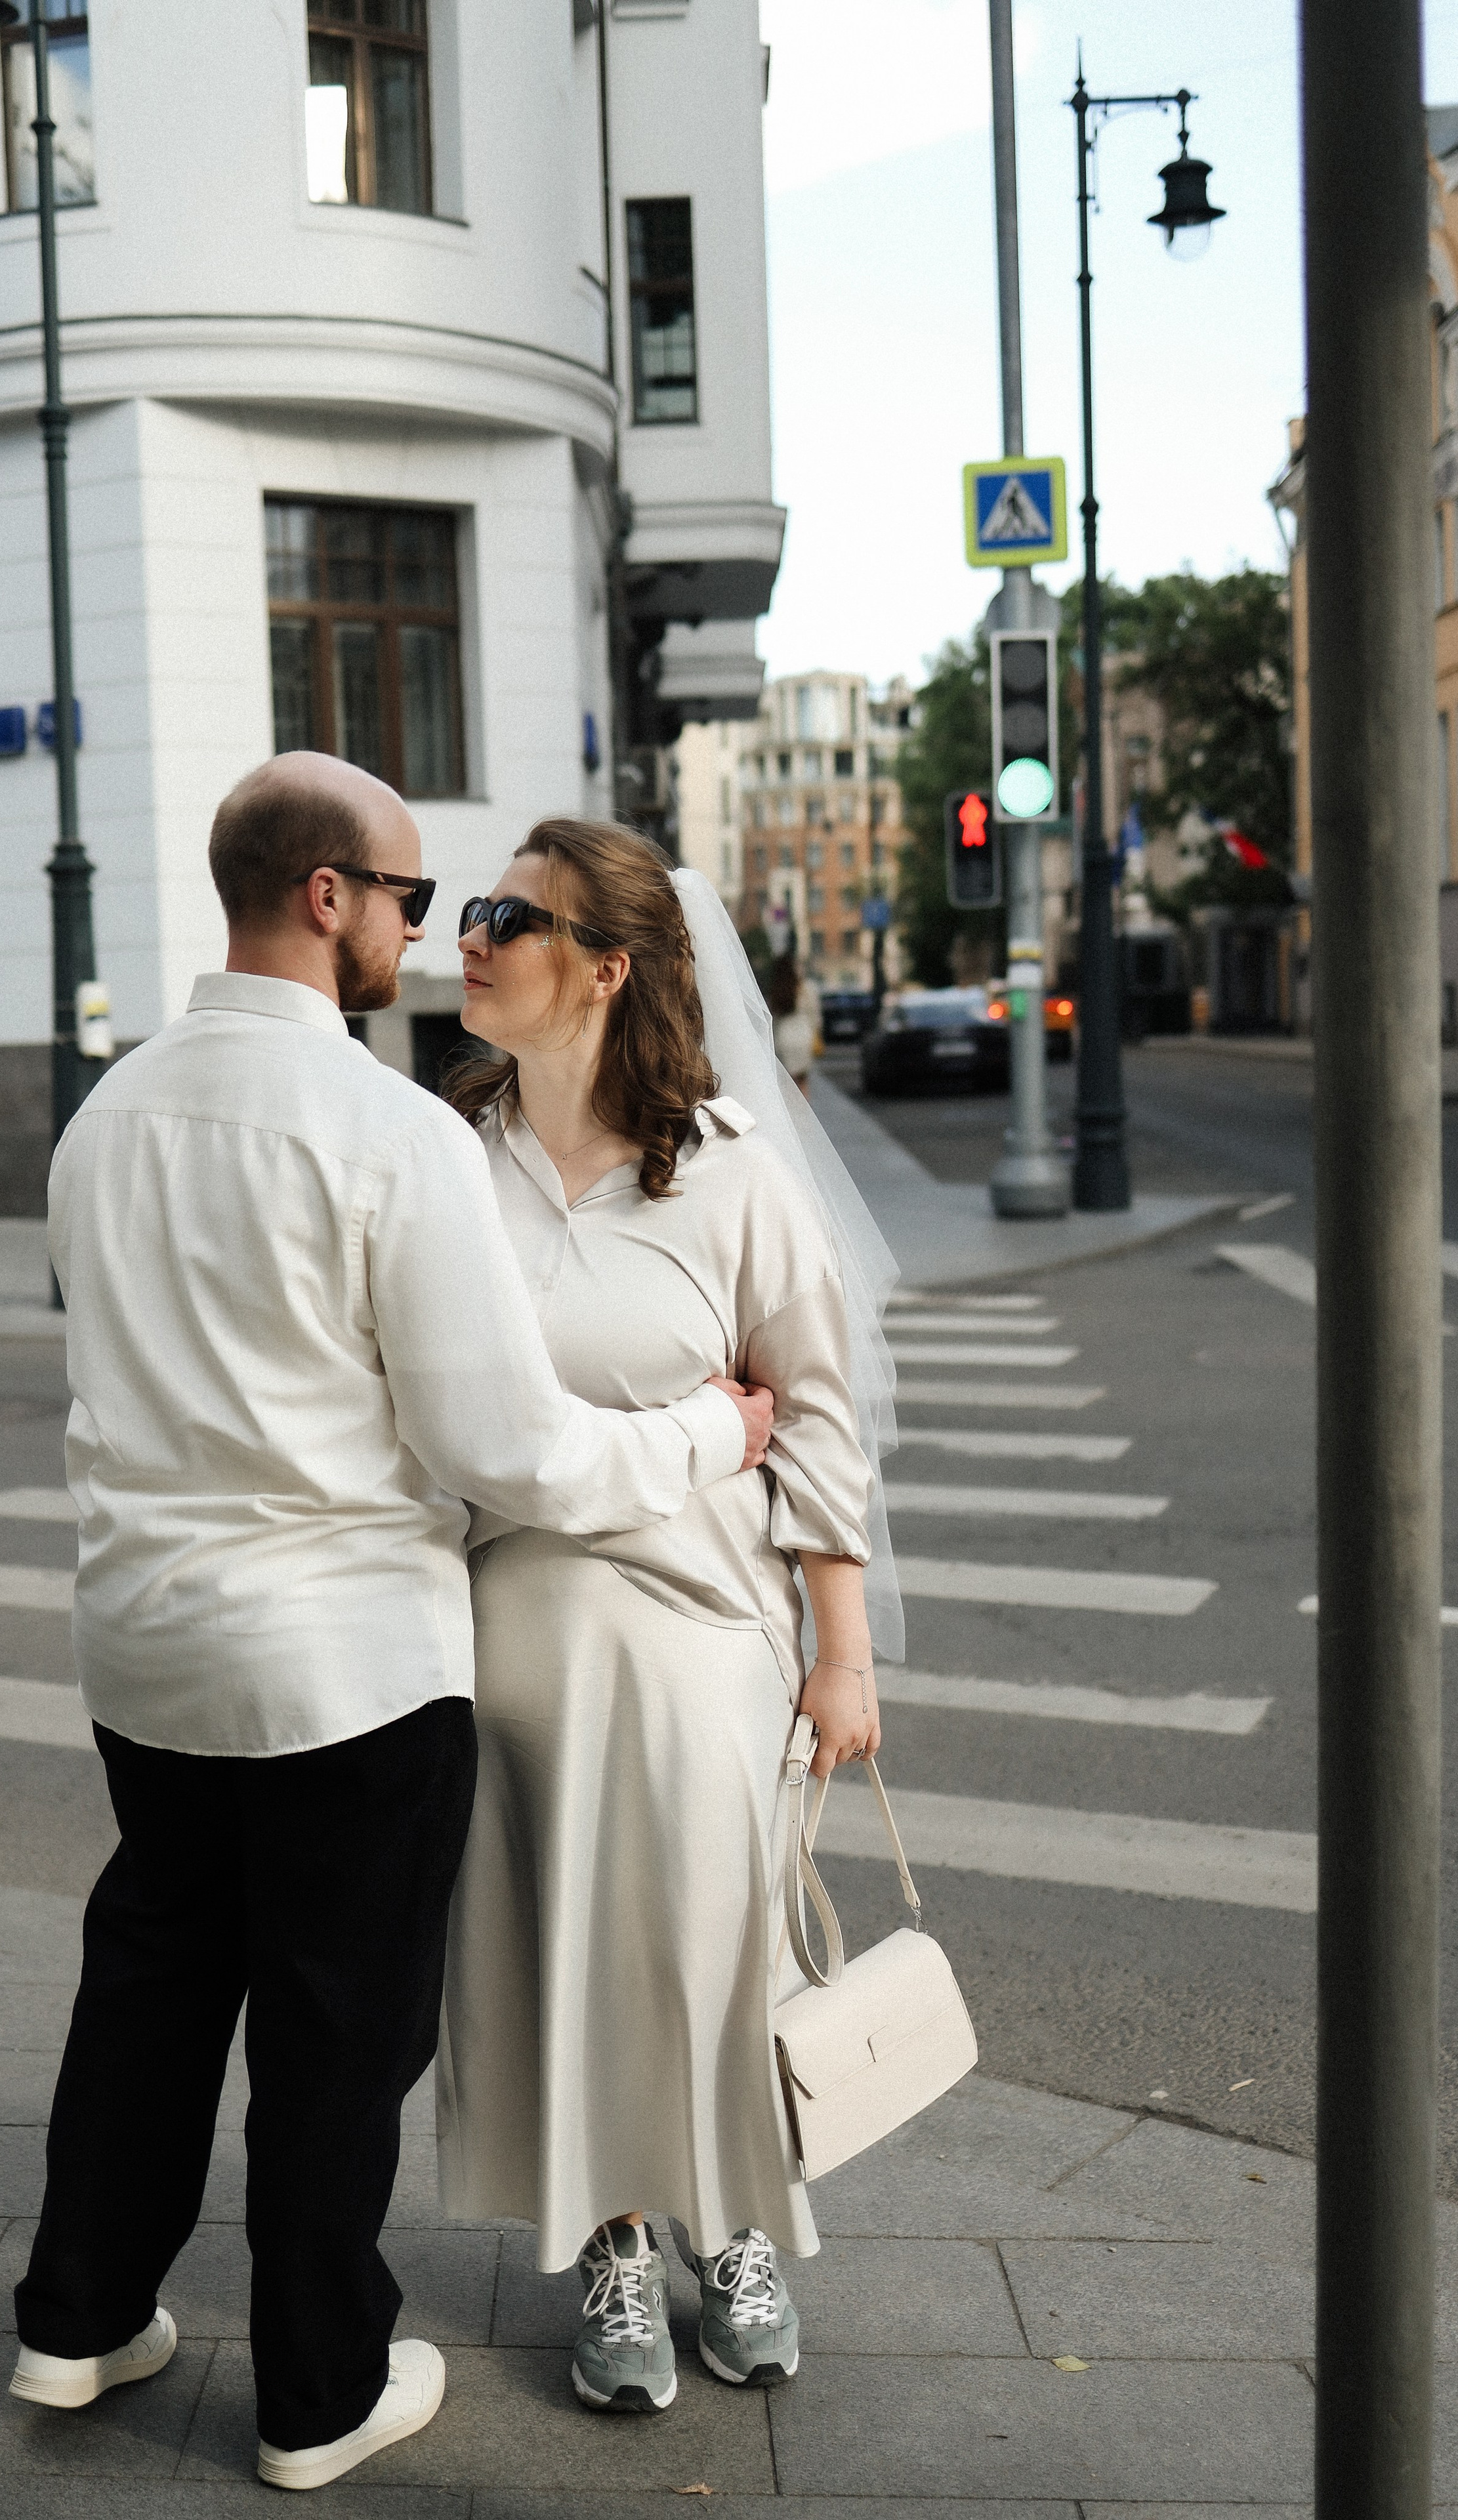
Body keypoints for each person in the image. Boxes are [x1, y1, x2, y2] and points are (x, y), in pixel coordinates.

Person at [8, 757, 774, 2491]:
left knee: (151, 1986)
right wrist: (713, 1432)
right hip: (345, 1660)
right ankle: (316, 2396)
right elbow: (506, 1446)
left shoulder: (104, 1117)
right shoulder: (392, 1136)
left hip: (143, 1643)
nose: (433, 934)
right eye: (418, 900)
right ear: (330, 898)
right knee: (335, 2037)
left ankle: (78, 2319)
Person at [436, 821, 904, 2415]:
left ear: (605, 965)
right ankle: (613, 2238)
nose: (469, 935)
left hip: (705, 1619)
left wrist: (840, 1651)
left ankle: (736, 2222)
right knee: (562, 1949)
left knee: (709, 1932)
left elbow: (819, 1417)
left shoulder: (729, 1174)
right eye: (472, 910)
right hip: (504, 1626)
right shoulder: (444, 1160)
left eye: (508, 914)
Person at [766, 946, 822, 1097]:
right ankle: (804, 1118)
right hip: (803, 1038)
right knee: (803, 1083)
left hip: (783, 1040)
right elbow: (815, 1017)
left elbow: (772, 1019)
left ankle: (790, 1119)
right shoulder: (806, 989)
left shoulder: (776, 991)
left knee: (787, 1087)